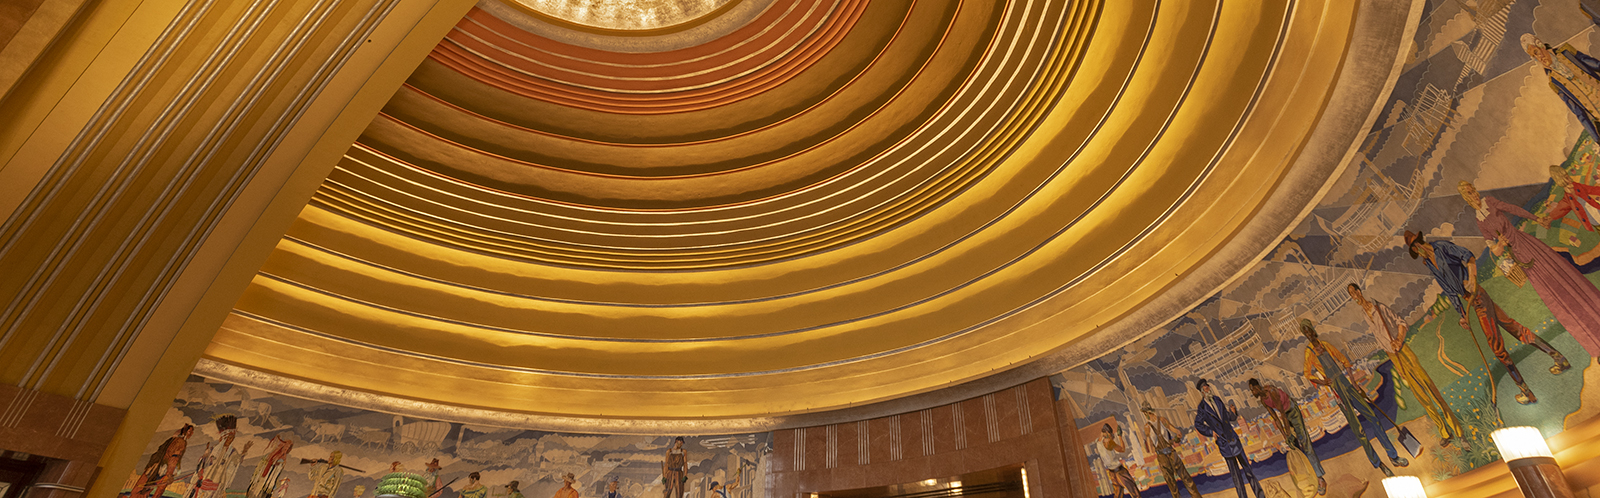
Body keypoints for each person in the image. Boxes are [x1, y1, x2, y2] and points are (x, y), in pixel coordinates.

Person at [1408, 231, 1569, 404]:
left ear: (1419, 244)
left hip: (1477, 295)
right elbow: (1450, 292)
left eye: (1416, 249)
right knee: (1513, 327)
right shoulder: (1430, 265)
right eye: (1415, 252)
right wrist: (1463, 316)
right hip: (1470, 300)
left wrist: (1471, 279)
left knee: (1496, 347)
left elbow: (1468, 256)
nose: (1418, 253)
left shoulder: (1441, 247)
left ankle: (1526, 392)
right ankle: (1559, 358)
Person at [1461, 181, 1600, 358]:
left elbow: (1513, 209)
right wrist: (1500, 247)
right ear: (1466, 198)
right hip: (1519, 257)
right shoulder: (1478, 220)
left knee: (1563, 276)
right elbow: (1491, 246)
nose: (1473, 194)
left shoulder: (1489, 201)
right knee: (1554, 294)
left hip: (1527, 244)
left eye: (1472, 190)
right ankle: (1593, 342)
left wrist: (1537, 219)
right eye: (1468, 193)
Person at [1349, 284, 1464, 446]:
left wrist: (1398, 340)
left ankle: (1458, 431)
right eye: (1351, 294)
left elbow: (1401, 322)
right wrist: (1393, 359)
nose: (1354, 296)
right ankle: (1445, 432)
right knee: (1422, 398)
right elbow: (1380, 339)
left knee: (1430, 389)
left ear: (1359, 292)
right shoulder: (1364, 315)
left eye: (1354, 292)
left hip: (1403, 351)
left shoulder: (1379, 307)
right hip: (1394, 357)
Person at [1300, 319, 1410, 476]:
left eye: (1309, 330)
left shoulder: (1325, 345)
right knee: (1359, 431)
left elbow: (1344, 361)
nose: (1309, 334)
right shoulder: (1309, 352)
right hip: (1337, 392)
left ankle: (1393, 456)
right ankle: (1379, 464)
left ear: (1313, 330)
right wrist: (1324, 382)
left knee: (1373, 418)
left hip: (1347, 385)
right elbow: (1307, 374)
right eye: (1305, 332)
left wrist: (1354, 383)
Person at [1249, 379, 1325, 495]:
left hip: (1292, 411)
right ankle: (1309, 479)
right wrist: (1286, 437)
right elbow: (1276, 419)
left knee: (1305, 443)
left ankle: (1319, 477)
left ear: (1257, 387)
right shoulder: (1264, 401)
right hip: (1285, 416)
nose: (1253, 393)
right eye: (1251, 391)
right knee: (1295, 448)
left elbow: (1283, 414)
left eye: (1253, 389)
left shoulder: (1272, 391)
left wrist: (1289, 433)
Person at [1193, 379, 1262, 498]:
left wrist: (1233, 413)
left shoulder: (1218, 400)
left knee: (1248, 470)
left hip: (1233, 439)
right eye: (1205, 387)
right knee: (1236, 477)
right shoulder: (1202, 408)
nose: (1208, 388)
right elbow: (1198, 424)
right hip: (1224, 444)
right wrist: (1210, 432)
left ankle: (1260, 495)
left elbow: (1227, 417)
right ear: (1202, 391)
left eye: (1207, 386)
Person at [1524, 34, 1600, 140]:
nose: (1538, 57)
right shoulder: (1553, 82)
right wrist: (1597, 138)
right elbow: (1578, 112)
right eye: (1534, 56)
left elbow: (1596, 65)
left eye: (1536, 52)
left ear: (1541, 45)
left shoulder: (1567, 52)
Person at [1139, 403, 1199, 498]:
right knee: (1171, 484)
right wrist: (1147, 436)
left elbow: (1171, 428)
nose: (1146, 415)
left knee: (1186, 478)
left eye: (1146, 412)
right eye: (1144, 413)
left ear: (1148, 412)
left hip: (1171, 453)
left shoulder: (1162, 420)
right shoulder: (1147, 427)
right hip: (1162, 458)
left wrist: (1178, 433)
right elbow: (1150, 449)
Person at [134, 424, 196, 498]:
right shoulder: (181, 442)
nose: (191, 433)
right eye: (190, 431)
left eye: (192, 432)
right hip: (163, 467)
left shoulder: (175, 439)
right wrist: (169, 474)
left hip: (159, 466)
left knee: (148, 485)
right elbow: (174, 457)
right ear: (185, 431)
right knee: (160, 488)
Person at [1095, 424, 1138, 498]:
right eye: (1110, 433)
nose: (1112, 435)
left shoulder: (1098, 443)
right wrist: (1120, 436)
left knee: (1118, 495)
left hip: (1111, 473)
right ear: (1107, 432)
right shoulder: (1109, 442)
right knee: (1134, 492)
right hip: (1119, 471)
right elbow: (1122, 449)